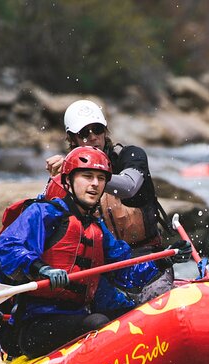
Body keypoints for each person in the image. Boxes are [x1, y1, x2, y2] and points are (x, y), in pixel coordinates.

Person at [0, 147, 191, 359]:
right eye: (87, 176)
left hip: (76, 315)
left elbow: (127, 273)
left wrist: (165, 259)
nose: (95, 184)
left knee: (137, 317)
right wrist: (41, 269)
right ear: (68, 181)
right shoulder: (43, 213)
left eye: (101, 178)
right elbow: (7, 249)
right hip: (33, 324)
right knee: (98, 323)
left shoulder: (97, 230)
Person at [45, 99, 173, 304]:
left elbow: (130, 186)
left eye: (97, 129)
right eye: (84, 133)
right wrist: (60, 178)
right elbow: (49, 217)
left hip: (147, 262)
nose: (93, 137)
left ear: (105, 131)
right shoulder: (69, 177)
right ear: (72, 138)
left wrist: (85, 172)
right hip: (100, 269)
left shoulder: (131, 155)